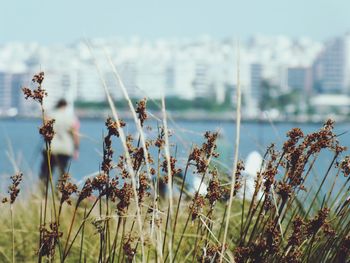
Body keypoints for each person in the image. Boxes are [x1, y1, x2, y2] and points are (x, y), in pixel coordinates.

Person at [39, 98, 80, 186]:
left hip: (50, 148)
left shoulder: (49, 115)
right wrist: (76, 149)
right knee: (62, 173)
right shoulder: (72, 118)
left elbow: (43, 130)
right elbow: (76, 135)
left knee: (46, 172)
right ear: (66, 106)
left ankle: (42, 193)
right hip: (65, 149)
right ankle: (59, 193)